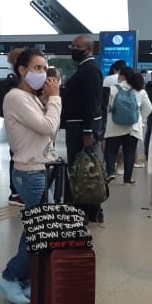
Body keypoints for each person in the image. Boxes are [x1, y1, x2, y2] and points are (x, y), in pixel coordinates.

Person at [0, 49, 62, 304]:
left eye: (44, 68)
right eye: (37, 68)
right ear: (22, 70)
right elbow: (48, 126)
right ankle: (10, 277)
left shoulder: (32, 98)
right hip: (31, 172)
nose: (43, 73)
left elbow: (50, 134)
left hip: (41, 169)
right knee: (42, 227)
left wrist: (48, 101)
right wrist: (54, 99)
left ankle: (23, 279)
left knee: (38, 228)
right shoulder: (15, 97)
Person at [61, 34, 105, 223]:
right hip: (79, 125)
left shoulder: (90, 70)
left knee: (83, 169)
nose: (74, 50)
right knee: (85, 168)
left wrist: (87, 130)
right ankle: (91, 210)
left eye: (78, 47)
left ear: (89, 49)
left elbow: (91, 102)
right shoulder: (84, 68)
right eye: (73, 46)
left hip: (81, 126)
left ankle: (85, 210)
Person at [104, 67, 152, 185]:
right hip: (133, 127)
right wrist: (140, 118)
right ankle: (127, 179)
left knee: (111, 150)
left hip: (114, 126)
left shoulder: (113, 89)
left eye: (119, 76)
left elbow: (107, 107)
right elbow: (149, 108)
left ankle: (110, 172)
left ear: (123, 77)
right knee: (129, 152)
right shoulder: (139, 90)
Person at [0, 48, 27, 206]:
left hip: (11, 124)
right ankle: (17, 192)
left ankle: (16, 191)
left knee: (15, 157)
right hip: (21, 126)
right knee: (19, 160)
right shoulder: (19, 85)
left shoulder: (9, 81)